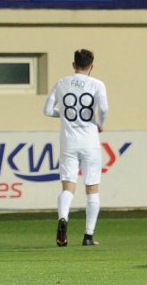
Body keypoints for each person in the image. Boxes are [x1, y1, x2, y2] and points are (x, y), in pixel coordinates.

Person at [44, 49, 109, 247]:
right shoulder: (97, 84)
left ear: (74, 65)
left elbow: (47, 110)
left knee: (68, 186)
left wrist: (62, 115)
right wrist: (99, 122)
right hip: (89, 141)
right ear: (92, 66)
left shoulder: (62, 83)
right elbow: (104, 108)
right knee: (92, 189)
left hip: (68, 141)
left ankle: (63, 218)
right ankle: (88, 236)